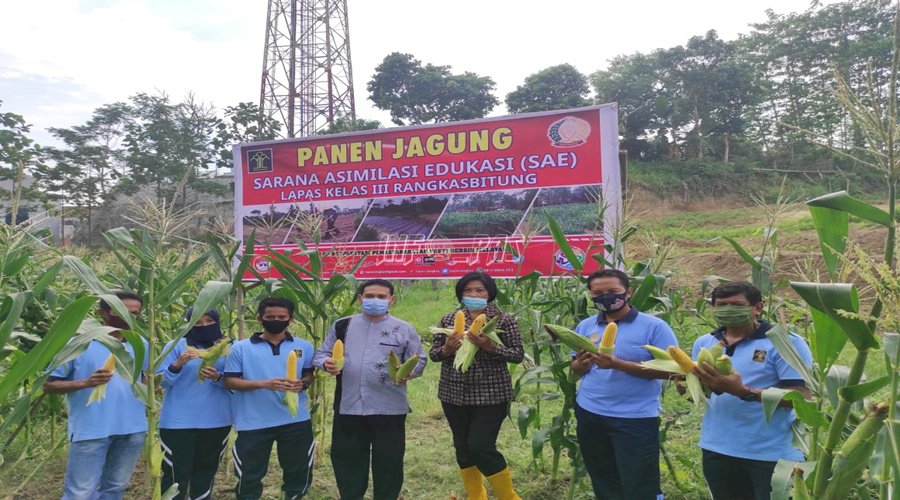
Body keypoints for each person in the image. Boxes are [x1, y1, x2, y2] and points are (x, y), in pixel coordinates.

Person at [692, 281, 812, 500]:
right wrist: (691, 387)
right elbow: (702, 393)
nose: (728, 310)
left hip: (772, 455)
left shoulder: (784, 343)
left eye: (736, 304)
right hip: (717, 448)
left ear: (758, 307)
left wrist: (743, 391)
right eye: (721, 305)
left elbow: (803, 397)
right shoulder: (705, 342)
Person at [570, 269, 678, 500]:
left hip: (634, 418)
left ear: (628, 292)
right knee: (603, 478)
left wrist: (618, 364)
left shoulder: (654, 327)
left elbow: (671, 372)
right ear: (590, 296)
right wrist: (582, 364)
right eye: (598, 293)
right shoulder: (586, 326)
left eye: (612, 292)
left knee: (640, 481)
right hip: (590, 412)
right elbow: (575, 369)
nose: (605, 297)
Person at [314, 279, 426, 500]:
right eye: (370, 296)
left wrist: (411, 371)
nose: (375, 300)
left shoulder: (404, 329)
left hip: (389, 407)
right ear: (360, 298)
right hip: (349, 406)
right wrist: (325, 363)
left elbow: (419, 359)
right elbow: (320, 354)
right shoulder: (342, 326)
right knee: (348, 460)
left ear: (391, 300)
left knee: (389, 462)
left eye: (381, 297)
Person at [43, 291, 148, 500]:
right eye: (122, 312)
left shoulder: (140, 344)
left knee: (116, 488)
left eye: (135, 313)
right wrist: (86, 382)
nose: (130, 317)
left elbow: (144, 380)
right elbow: (48, 385)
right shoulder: (77, 344)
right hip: (91, 430)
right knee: (80, 492)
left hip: (133, 429)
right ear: (103, 313)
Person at [429, 271, 525, 500]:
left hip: (491, 394)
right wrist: (449, 348)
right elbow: (434, 355)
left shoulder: (503, 319)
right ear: (461, 294)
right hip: (454, 393)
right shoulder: (448, 319)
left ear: (489, 293)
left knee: (480, 446)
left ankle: (509, 497)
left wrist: (490, 347)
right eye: (468, 291)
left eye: (479, 290)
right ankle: (476, 496)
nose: (473, 294)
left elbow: (517, 355)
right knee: (462, 448)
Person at [223, 297, 315, 500]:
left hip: (295, 420)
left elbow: (309, 374)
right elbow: (230, 382)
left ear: (290, 319)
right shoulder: (241, 348)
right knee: (250, 475)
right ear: (260, 318)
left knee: (297, 471)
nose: (276, 320)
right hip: (254, 422)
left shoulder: (304, 347)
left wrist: (304, 383)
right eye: (270, 317)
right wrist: (265, 384)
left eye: (281, 317)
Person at [157, 309, 232, 500]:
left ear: (217, 322)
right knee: (175, 475)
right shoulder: (176, 346)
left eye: (209, 321)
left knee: (205, 473)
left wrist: (218, 377)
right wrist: (177, 364)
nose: (203, 326)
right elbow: (159, 382)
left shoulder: (231, 346)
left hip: (217, 421)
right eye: (197, 322)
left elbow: (238, 382)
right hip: (177, 422)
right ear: (188, 324)